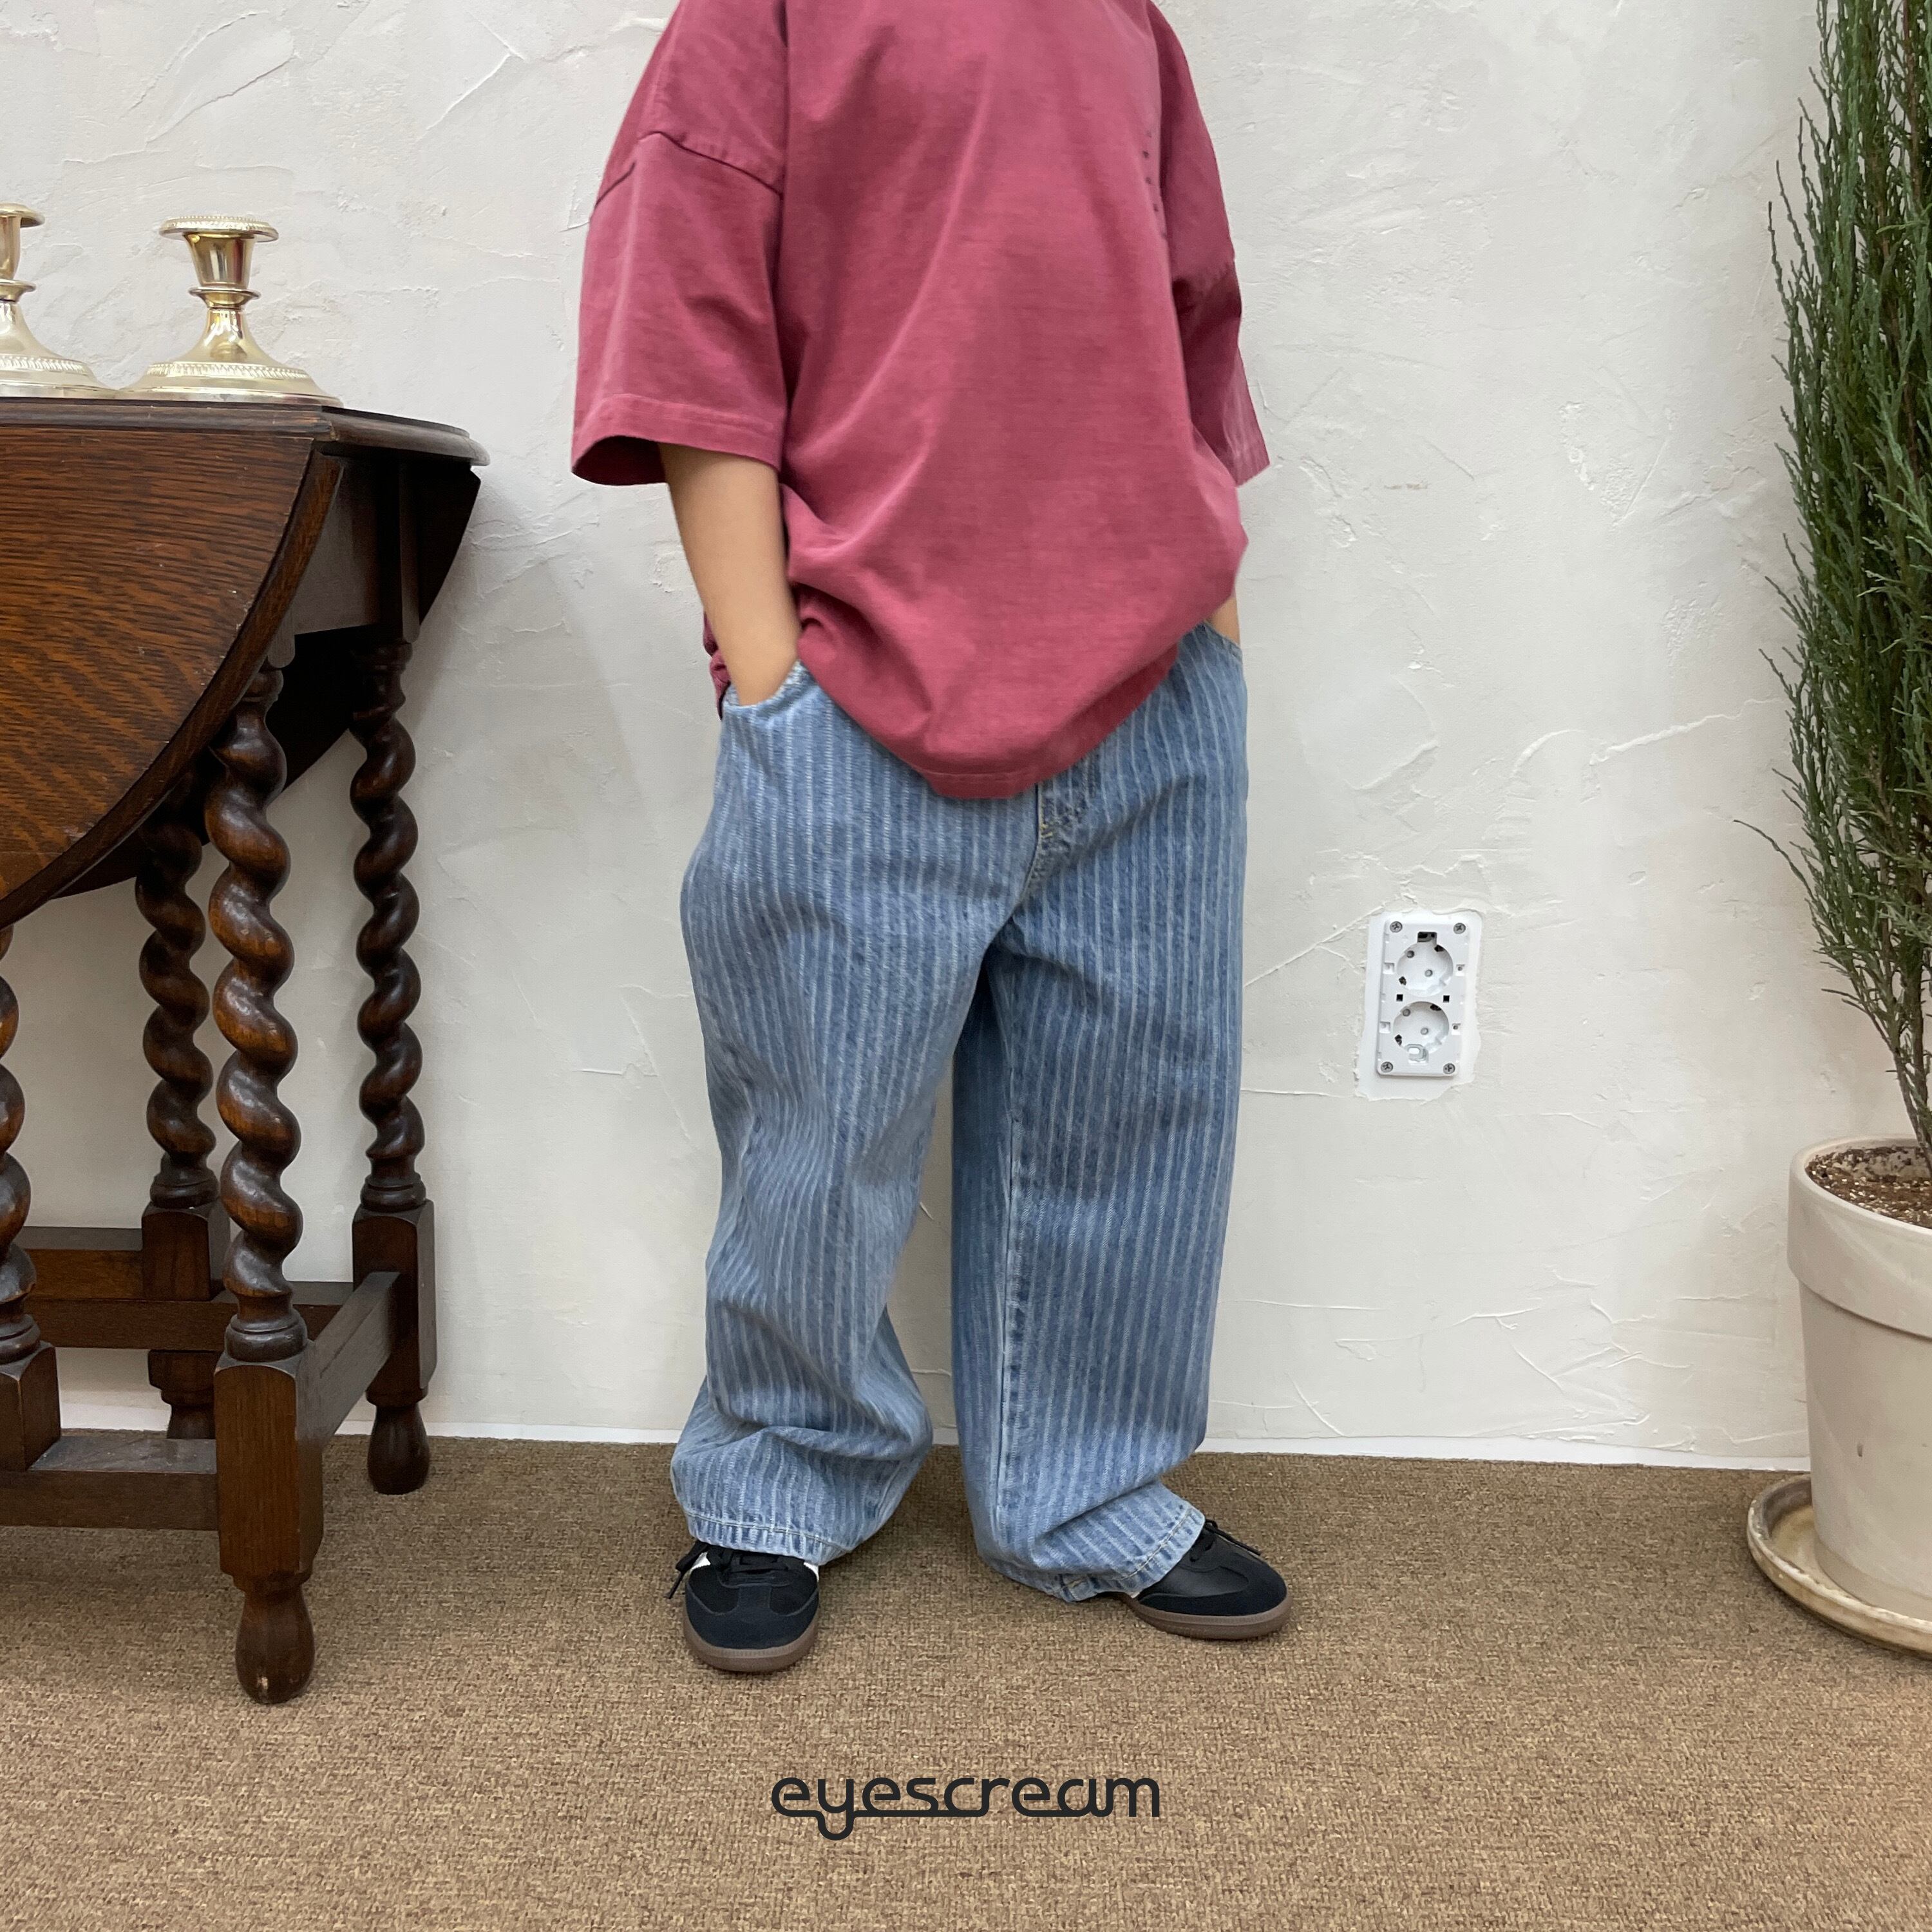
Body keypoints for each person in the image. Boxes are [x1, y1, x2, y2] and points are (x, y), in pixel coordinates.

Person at [573, 0, 1285, 1674]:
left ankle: (1088, 1490)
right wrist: (771, 679)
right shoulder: (760, 16)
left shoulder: (1126, 23)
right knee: (820, 1137)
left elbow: (1193, 327)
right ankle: (779, 1479)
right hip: (856, 692)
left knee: (1137, 1118)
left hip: (1152, 691)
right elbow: (685, 333)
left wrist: (1215, 624)